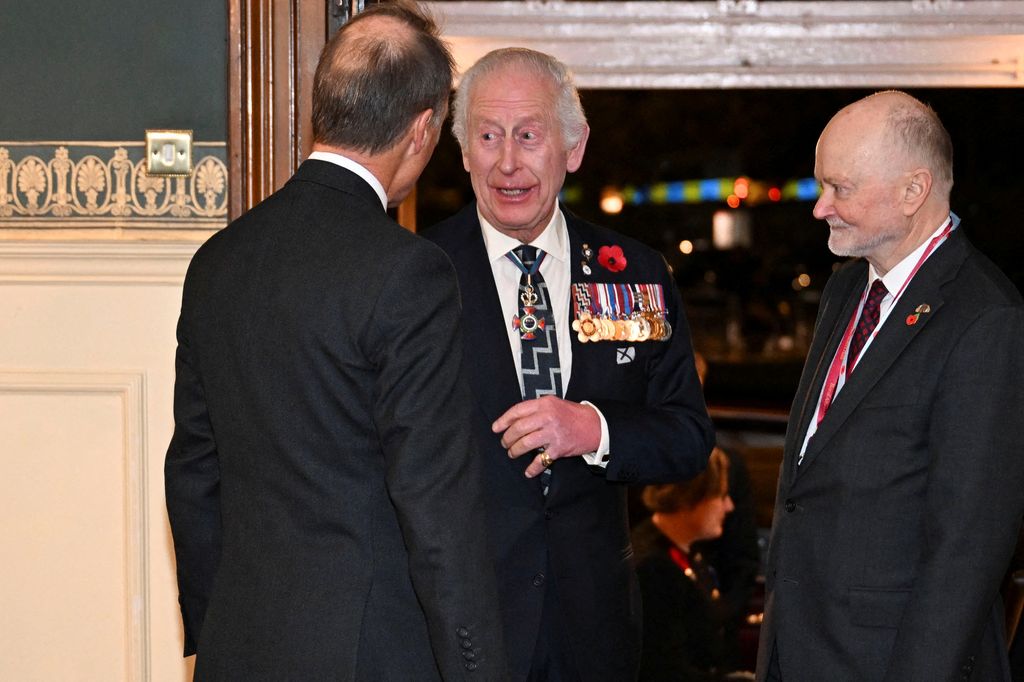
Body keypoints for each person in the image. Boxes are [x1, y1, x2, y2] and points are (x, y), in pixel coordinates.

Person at [164, 3, 507, 679]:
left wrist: (216, 630)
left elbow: (193, 478)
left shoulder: (218, 260)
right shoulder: (409, 272)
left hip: (240, 647)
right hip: (370, 657)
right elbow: (435, 505)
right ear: (421, 128)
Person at [422, 48, 715, 681]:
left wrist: (595, 431)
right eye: (488, 137)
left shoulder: (633, 272)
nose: (508, 163)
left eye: (528, 136)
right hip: (460, 630)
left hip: (595, 630)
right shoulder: (415, 273)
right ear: (464, 151)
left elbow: (688, 438)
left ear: (573, 147)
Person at [757, 90, 1024, 681]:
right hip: (799, 648)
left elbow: (968, 547)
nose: (820, 207)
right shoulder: (845, 291)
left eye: (840, 188)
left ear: (913, 191)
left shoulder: (985, 317)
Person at [633, 449, 755, 681]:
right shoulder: (652, 568)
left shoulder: (688, 552)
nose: (729, 506)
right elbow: (665, 671)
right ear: (691, 497)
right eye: (721, 495)